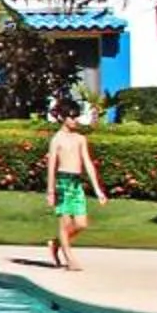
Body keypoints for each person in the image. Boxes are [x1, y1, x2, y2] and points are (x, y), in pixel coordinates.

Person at [45, 115, 105, 270]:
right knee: (65, 224)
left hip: (76, 183)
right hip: (62, 183)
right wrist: (51, 191)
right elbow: (51, 166)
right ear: (63, 118)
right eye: (72, 117)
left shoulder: (80, 139)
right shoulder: (56, 139)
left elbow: (88, 163)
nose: (75, 121)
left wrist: (97, 189)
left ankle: (55, 243)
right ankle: (70, 260)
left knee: (81, 223)